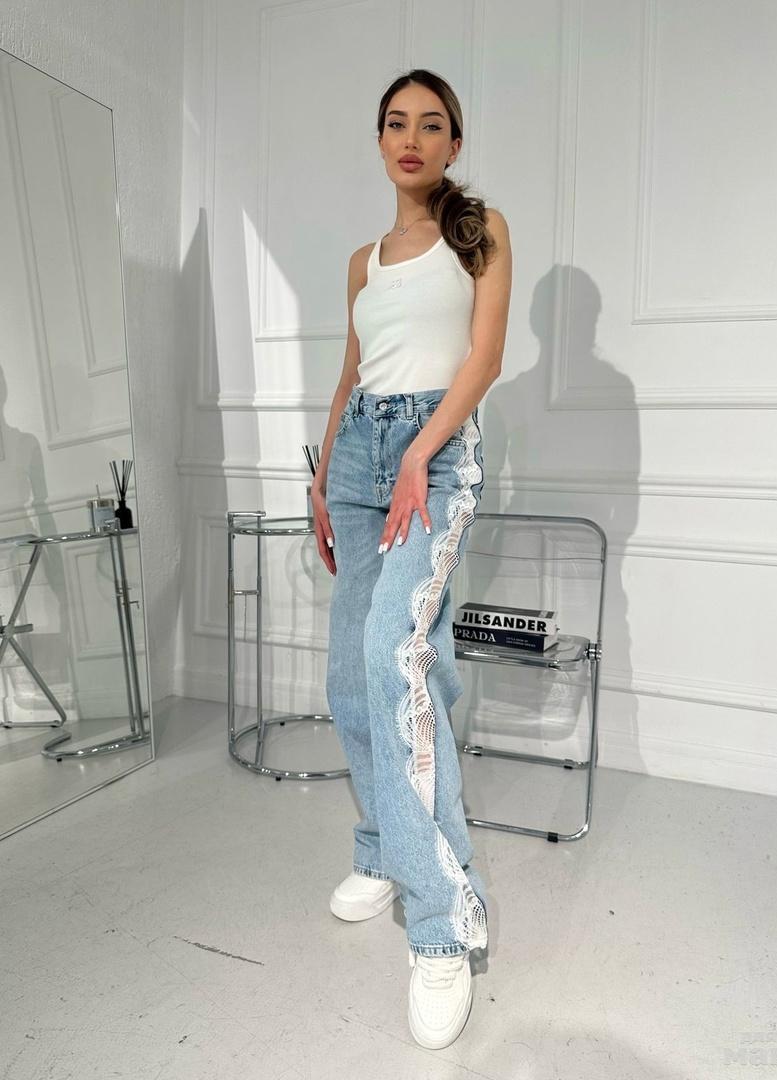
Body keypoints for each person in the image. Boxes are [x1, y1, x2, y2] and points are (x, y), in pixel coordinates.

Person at [311, 68, 512, 1050]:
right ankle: (382, 849)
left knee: (395, 659)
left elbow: (482, 359)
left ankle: (439, 922)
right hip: (359, 456)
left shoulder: (479, 234)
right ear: (379, 138)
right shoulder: (363, 261)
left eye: (431, 125)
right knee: (352, 679)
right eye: (396, 123)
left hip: (433, 453)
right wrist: (324, 476)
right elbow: (352, 372)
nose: (412, 138)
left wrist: (420, 454)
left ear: (453, 144)